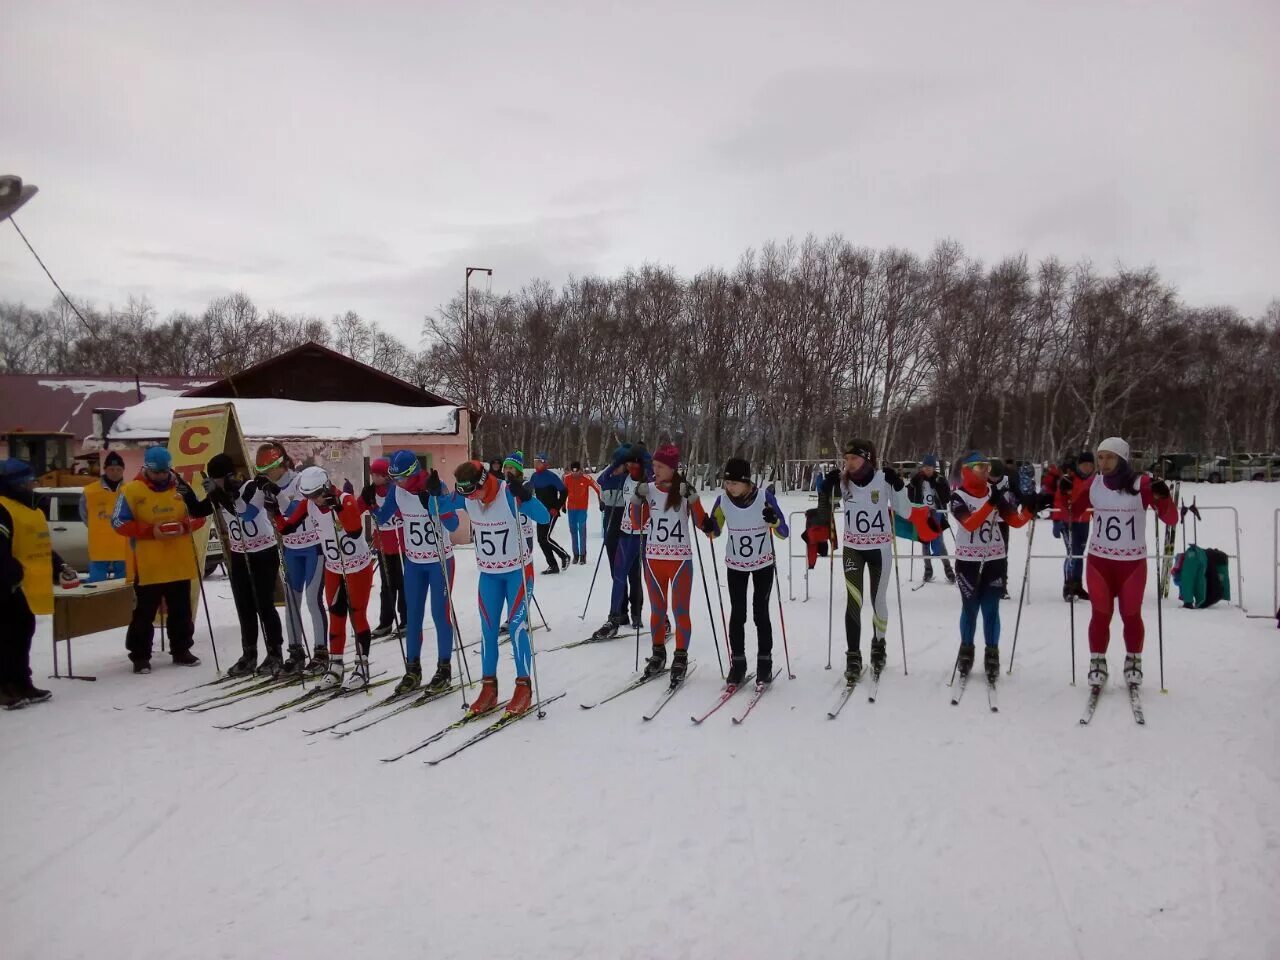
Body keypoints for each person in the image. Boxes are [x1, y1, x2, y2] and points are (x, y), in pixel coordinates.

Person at [442, 459, 550, 716]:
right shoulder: (469, 496)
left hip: (518, 573)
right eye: (466, 494)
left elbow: (544, 516)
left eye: (474, 492)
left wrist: (527, 498)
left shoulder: (508, 494)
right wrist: (433, 494)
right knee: (488, 631)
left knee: (517, 628)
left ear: (483, 482)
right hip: (489, 574)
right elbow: (444, 508)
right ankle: (488, 687)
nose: (472, 499)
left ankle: (523, 686)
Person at [1069, 437, 1177, 689]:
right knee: (1100, 615)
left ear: (1123, 459)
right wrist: (1065, 493)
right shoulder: (1094, 483)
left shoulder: (1142, 484)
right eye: (1100, 457)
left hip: (1131, 564)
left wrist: (1163, 498)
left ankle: (1133, 661)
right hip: (1099, 562)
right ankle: (1097, 662)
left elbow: (1170, 519)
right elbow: (1073, 511)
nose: (1103, 463)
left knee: (1131, 615)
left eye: (1110, 457)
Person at [821, 439, 918, 683]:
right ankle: (853, 656)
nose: (849, 463)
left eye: (854, 458)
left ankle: (879, 644)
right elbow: (826, 508)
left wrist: (898, 486)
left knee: (878, 600)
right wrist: (825, 487)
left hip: (880, 549)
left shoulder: (882, 479)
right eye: (846, 459)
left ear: (867, 459)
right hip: (853, 548)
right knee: (853, 601)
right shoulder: (843, 481)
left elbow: (905, 512)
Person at [112, 446, 212, 673]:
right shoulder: (131, 490)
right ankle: (140, 656)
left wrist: (184, 526)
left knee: (181, 610)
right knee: (144, 613)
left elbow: (199, 516)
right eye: (156, 473)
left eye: (164, 472)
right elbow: (118, 523)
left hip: (179, 561)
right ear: (146, 469)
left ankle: (181, 649)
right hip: (149, 565)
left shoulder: (180, 486)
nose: (161, 477)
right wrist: (150, 531)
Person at [277, 466, 374, 690]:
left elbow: (355, 530)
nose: (315, 500)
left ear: (327, 487)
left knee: (357, 614)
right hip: (334, 568)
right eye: (309, 496)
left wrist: (337, 507)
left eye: (317, 495)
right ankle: (336, 665)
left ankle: (362, 667)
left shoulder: (346, 499)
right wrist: (274, 512)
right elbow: (287, 528)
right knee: (335, 614)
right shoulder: (309, 504)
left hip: (357, 567)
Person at [370, 450, 458, 696]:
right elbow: (383, 516)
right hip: (414, 563)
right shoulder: (397, 491)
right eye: (393, 479)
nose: (397, 483)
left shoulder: (435, 486)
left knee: (440, 615)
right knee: (413, 617)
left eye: (400, 478)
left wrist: (434, 502)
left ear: (413, 473)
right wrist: (369, 503)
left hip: (439, 561)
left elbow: (453, 524)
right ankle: (413, 669)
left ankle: (444, 669)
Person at [701, 457, 789, 685]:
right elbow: (715, 530)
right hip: (736, 565)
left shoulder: (764, 498)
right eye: (726, 483)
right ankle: (738, 664)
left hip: (763, 565)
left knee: (761, 613)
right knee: (737, 614)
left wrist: (774, 521)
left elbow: (784, 532)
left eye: (734, 483)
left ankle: (764, 663)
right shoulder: (722, 501)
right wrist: (709, 527)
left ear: (746, 482)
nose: (729, 487)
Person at [947, 452, 1032, 682]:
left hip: (995, 559)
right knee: (970, 608)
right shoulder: (958, 496)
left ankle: (992, 652)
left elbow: (1015, 521)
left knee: (991, 609)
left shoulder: (995, 494)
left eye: (986, 467)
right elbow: (970, 524)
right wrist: (990, 504)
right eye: (979, 467)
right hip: (968, 562)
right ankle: (967, 649)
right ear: (966, 470)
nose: (985, 471)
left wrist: (1031, 508)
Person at [202, 453, 288, 677]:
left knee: (264, 604)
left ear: (229, 476)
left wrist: (219, 494)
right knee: (244, 606)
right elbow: (199, 510)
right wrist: (186, 495)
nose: (216, 483)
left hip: (263, 552)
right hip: (240, 553)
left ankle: (275, 652)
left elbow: (243, 513)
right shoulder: (220, 493)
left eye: (218, 479)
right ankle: (249, 654)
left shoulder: (251, 487)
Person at [0, 459, 73, 706]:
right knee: (6, 638)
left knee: (22, 634)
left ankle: (22, 682)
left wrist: (59, 566)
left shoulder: (31, 509)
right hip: (7, 586)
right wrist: (12, 575)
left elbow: (41, 544)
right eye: (30, 480)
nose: (35, 485)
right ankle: (5, 687)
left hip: (26, 586)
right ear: (17, 483)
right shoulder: (3, 508)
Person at [632, 443, 707, 682]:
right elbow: (638, 523)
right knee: (657, 610)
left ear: (673, 468)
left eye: (660, 466)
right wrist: (637, 499)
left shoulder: (683, 491)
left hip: (680, 560)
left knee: (680, 610)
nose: (655, 470)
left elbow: (701, 522)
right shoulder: (649, 489)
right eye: (653, 465)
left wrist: (693, 498)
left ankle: (680, 655)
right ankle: (658, 654)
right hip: (653, 560)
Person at [251, 443, 327, 673]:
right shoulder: (266, 485)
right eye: (264, 470)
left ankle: (321, 653)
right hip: (291, 550)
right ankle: (295, 653)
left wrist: (275, 494)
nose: (268, 474)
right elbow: (249, 513)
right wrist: (230, 495)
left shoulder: (301, 479)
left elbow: (294, 510)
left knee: (313, 601)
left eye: (271, 468)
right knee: (291, 603)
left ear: (283, 463)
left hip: (313, 548)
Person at [588, 442, 650, 640]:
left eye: (633, 462)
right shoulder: (619, 477)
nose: (628, 466)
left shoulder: (646, 479)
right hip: (621, 532)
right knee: (619, 575)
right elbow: (602, 479)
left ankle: (637, 612)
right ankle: (616, 615)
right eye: (626, 462)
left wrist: (642, 458)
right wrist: (617, 463)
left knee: (636, 574)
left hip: (641, 534)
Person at [363, 457, 406, 639]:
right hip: (383, 544)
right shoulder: (371, 491)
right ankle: (386, 622)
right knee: (387, 586)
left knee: (402, 584)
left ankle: (406, 620)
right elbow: (356, 507)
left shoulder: (396, 490)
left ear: (386, 475)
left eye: (377, 474)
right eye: (372, 474)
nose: (374, 477)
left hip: (400, 543)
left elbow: (395, 512)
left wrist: (374, 507)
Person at [78, 451, 129, 582]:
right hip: (99, 545)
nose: (115, 472)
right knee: (97, 584)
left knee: (123, 584)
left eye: (118, 469)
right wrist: (97, 527)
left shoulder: (130, 490)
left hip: (123, 545)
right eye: (111, 469)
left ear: (123, 470)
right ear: (104, 469)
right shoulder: (90, 491)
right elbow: (84, 515)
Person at [907, 454, 954, 583]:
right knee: (925, 542)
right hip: (922, 514)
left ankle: (948, 569)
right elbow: (910, 497)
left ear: (934, 468)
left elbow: (946, 498)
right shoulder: (917, 478)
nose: (927, 470)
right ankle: (928, 570)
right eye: (925, 467)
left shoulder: (940, 479)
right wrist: (912, 485)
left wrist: (940, 485)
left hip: (936, 513)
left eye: (930, 467)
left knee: (939, 542)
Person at [1055, 452, 1095, 601]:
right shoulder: (1069, 479)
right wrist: (1057, 520)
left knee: (1080, 553)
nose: (1087, 468)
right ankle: (1069, 586)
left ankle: (1078, 585)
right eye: (1085, 465)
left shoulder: (1093, 482)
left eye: (1090, 465)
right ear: (1079, 465)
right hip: (1068, 522)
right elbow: (1059, 500)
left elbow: (1094, 503)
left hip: (1084, 522)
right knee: (1073, 551)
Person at [528, 453, 571, 573]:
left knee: (545, 538)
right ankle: (553, 565)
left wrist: (556, 507)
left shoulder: (551, 476)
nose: (536, 464)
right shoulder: (534, 476)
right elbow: (530, 493)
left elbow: (564, 491)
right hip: (540, 512)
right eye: (534, 462)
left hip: (551, 511)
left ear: (545, 463)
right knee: (541, 540)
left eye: (538, 462)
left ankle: (564, 556)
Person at [562, 461, 601, 564]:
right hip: (571, 508)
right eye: (573, 471)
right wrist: (562, 505)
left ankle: (583, 555)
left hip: (582, 508)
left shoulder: (586, 478)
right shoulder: (567, 478)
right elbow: (563, 492)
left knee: (582, 530)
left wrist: (601, 501)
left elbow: (598, 488)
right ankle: (576, 554)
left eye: (577, 471)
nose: (575, 473)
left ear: (580, 470)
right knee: (573, 530)